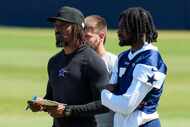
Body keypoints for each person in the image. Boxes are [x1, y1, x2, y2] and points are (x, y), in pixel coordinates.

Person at [28, 6, 109, 127]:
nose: (57, 30)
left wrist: (68, 110)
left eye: (63, 25)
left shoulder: (93, 62)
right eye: (56, 25)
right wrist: (41, 104)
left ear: (77, 29)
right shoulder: (54, 62)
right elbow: (51, 98)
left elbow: (104, 104)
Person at [101, 7, 167, 127]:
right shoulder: (122, 57)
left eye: (123, 28)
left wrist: (104, 95)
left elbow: (126, 106)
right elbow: (112, 90)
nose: (118, 32)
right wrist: (112, 96)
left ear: (139, 30)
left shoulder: (150, 60)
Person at [84, 15, 117, 127]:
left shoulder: (114, 63)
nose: (83, 40)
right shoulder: (78, 61)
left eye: (87, 37)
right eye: (81, 36)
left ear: (101, 36)